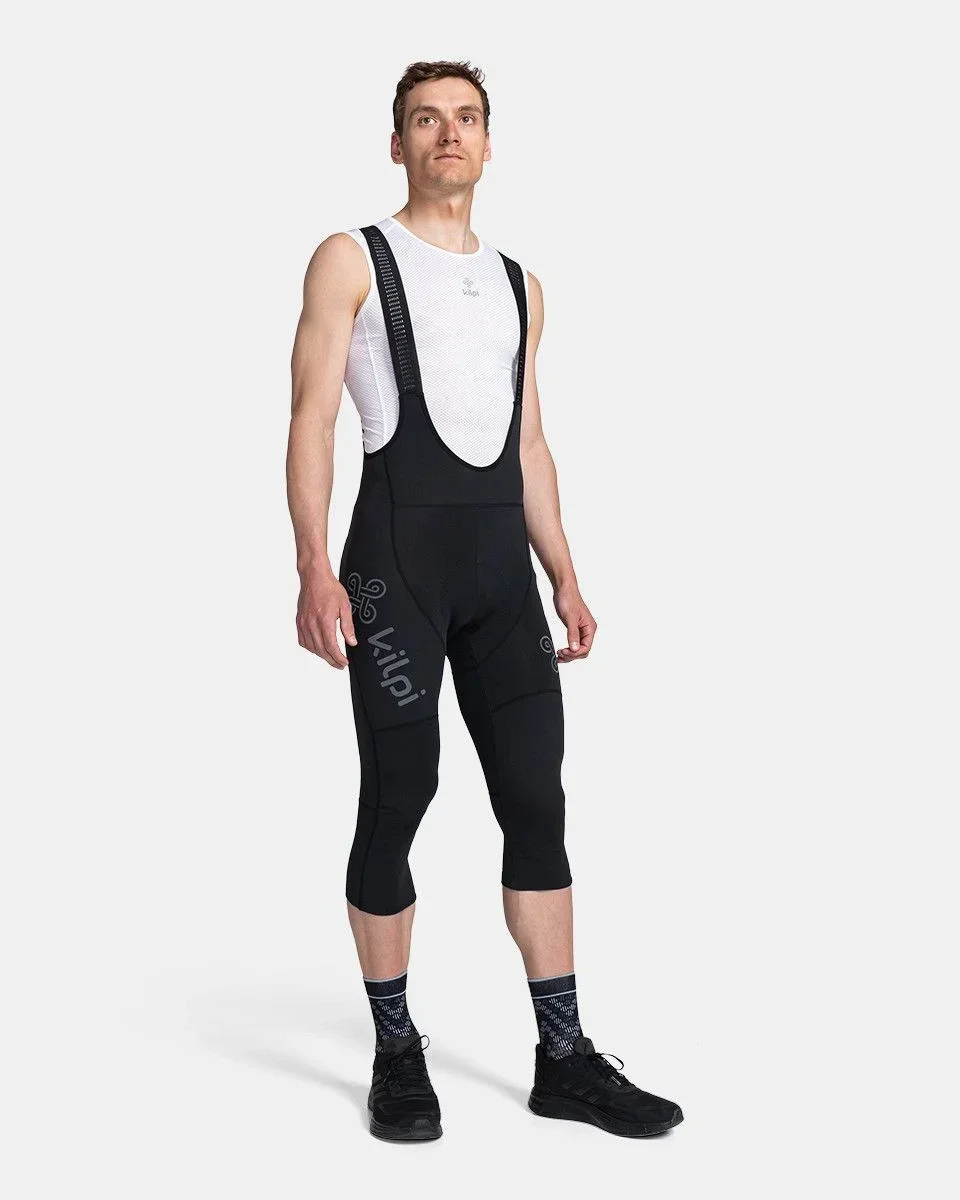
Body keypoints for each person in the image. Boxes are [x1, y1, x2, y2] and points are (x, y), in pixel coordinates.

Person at [286, 59, 683, 1142]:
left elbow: (531, 442)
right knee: (400, 792)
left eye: (465, 118)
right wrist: (314, 567)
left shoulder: (519, 282)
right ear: (398, 143)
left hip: (503, 576)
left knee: (537, 802)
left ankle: (565, 1058)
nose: (447, 134)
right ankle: (395, 1049)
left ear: (489, 143)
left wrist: (566, 574)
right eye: (426, 119)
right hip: (393, 569)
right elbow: (312, 415)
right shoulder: (351, 258)